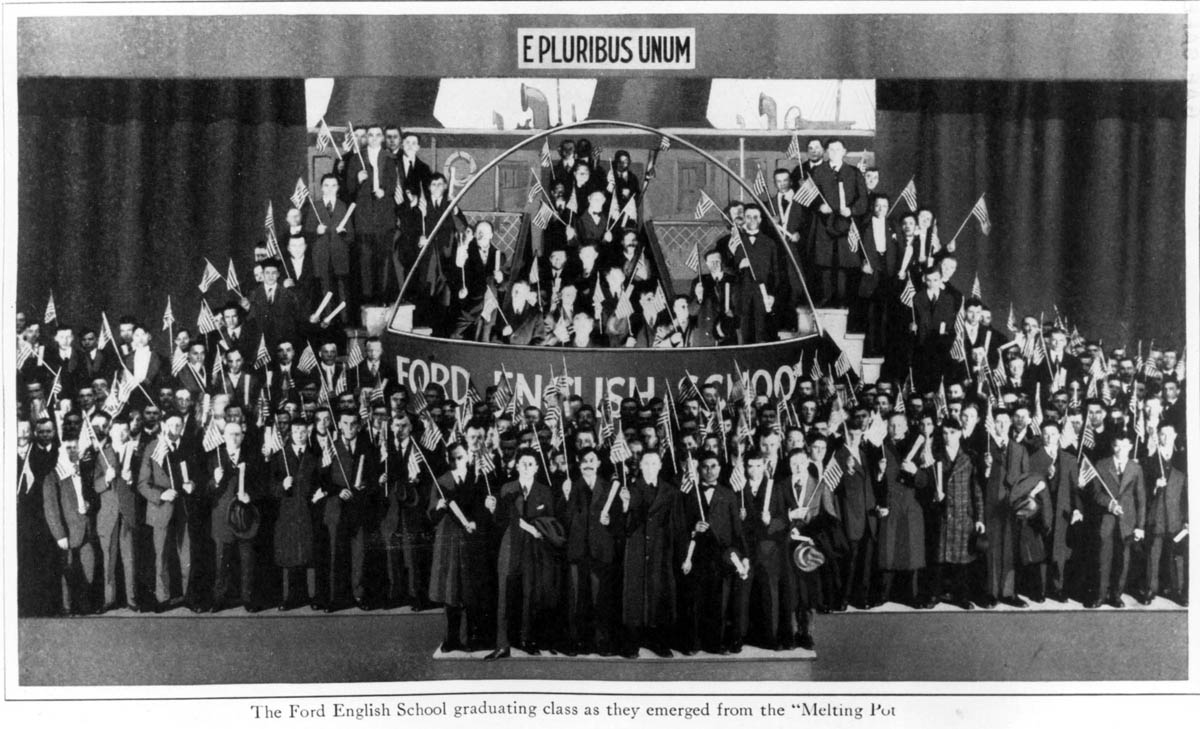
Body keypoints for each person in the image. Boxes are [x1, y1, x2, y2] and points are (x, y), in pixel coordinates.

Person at [485, 449, 556, 660]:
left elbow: (550, 521)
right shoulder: (507, 488)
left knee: (529, 594)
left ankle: (527, 640)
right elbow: (501, 520)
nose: (526, 467)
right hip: (510, 545)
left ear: (536, 467)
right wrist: (492, 509)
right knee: (505, 595)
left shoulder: (545, 491)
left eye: (530, 464)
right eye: (522, 463)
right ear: (516, 466)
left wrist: (537, 531)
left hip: (533, 549)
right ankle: (502, 645)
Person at [679, 451, 745, 655]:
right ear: (699, 469)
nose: (709, 470)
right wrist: (693, 528)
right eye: (705, 466)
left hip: (721, 554)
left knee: (719, 601)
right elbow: (680, 523)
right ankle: (693, 642)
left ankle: (716, 642)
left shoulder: (728, 494)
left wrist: (742, 555)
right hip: (697, 553)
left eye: (714, 466)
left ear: (720, 468)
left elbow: (736, 529)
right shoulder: (690, 494)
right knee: (696, 599)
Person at [621, 449, 684, 658]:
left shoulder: (670, 491)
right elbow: (622, 525)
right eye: (646, 463)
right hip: (637, 547)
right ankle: (632, 641)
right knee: (635, 595)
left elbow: (676, 525)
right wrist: (623, 507)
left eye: (653, 463)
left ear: (659, 466)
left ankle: (658, 641)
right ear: (640, 466)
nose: (649, 467)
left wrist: (678, 553)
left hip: (660, 548)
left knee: (658, 593)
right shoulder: (629, 489)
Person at [430, 442, 491, 652]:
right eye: (454, 458)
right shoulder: (441, 482)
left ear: (468, 457)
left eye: (461, 457)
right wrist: (438, 508)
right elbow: (431, 516)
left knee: (470, 591)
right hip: (449, 541)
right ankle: (451, 638)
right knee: (451, 592)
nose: (458, 462)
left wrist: (476, 521)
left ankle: (470, 638)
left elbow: (484, 509)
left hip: (471, 541)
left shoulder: (477, 479)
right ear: (449, 460)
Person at [137, 412, 199, 611]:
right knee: (161, 554)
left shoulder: (188, 445)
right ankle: (162, 598)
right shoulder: (154, 447)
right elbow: (142, 484)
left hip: (183, 507)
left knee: (186, 554)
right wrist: (161, 495)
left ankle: (188, 595)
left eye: (178, 425)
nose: (174, 429)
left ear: (182, 426)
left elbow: (198, 474)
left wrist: (193, 485)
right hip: (161, 508)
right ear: (164, 425)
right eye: (171, 424)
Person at [874, 412, 929, 608]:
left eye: (899, 425)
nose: (895, 429)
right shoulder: (879, 448)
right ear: (887, 427)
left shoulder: (917, 446)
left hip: (910, 504)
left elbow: (926, 483)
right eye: (891, 425)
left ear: (906, 427)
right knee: (888, 549)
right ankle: (884, 594)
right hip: (890, 505)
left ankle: (912, 595)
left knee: (912, 550)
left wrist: (916, 472)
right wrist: (879, 474)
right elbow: (874, 483)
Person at [91, 414, 144, 612]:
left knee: (129, 558)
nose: (121, 434)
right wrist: (106, 478)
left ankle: (132, 599)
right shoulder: (102, 454)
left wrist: (132, 479)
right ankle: (109, 599)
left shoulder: (135, 452)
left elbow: (143, 482)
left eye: (125, 430)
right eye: (117, 430)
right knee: (108, 559)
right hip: (109, 514)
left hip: (127, 514)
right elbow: (95, 486)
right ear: (110, 431)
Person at [1086, 432, 1145, 609]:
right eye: (1117, 445)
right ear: (1113, 446)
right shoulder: (1102, 464)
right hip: (1107, 519)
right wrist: (1110, 504)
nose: (1121, 450)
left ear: (1131, 447)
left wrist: (1140, 526)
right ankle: (1100, 595)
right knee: (1103, 558)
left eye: (1125, 446)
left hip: (1127, 521)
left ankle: (1116, 596)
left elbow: (1141, 500)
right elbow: (1095, 493)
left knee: (1123, 560)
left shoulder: (1136, 468)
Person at [208, 420, 262, 612]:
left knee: (247, 561)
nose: (234, 437)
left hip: (244, 517)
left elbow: (261, 485)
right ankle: (218, 599)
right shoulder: (215, 458)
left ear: (243, 436)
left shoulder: (252, 458)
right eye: (230, 434)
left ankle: (248, 599)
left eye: (238, 434)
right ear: (223, 436)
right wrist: (214, 481)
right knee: (221, 561)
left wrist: (251, 496)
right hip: (222, 518)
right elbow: (206, 490)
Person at [809, 138, 869, 307]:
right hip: (824, 224)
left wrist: (852, 210)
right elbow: (810, 196)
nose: (834, 153)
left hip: (846, 225)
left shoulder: (854, 173)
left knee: (844, 264)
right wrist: (819, 206)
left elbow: (863, 199)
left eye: (838, 149)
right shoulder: (819, 172)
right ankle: (826, 298)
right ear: (827, 152)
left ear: (844, 152)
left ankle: (843, 301)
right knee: (825, 263)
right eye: (831, 150)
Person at [270, 418, 320, 610]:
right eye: (296, 431)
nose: (300, 435)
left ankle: (309, 595)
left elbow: (319, 480)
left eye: (303, 431)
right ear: (290, 433)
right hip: (288, 512)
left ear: (308, 432)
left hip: (308, 510)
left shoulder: (315, 455)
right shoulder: (279, 456)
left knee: (306, 553)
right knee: (290, 553)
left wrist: (319, 492)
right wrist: (282, 486)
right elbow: (270, 486)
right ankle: (291, 597)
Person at [345, 123, 398, 305]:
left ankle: (382, 297)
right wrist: (358, 180)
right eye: (370, 135)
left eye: (377, 135)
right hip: (364, 218)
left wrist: (385, 190)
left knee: (383, 259)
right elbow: (349, 188)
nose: (374, 138)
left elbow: (393, 184)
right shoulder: (355, 160)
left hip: (384, 218)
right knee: (365, 260)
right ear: (366, 137)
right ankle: (367, 299)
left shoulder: (390, 158)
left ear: (382, 138)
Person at [42, 438, 97, 615]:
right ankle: (67, 608)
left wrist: (89, 504)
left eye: (75, 448)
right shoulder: (53, 475)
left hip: (86, 529)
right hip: (68, 532)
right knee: (68, 571)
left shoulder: (84, 471)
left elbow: (91, 496)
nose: (72, 452)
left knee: (88, 567)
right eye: (68, 448)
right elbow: (51, 508)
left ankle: (84, 606)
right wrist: (59, 535)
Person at [1142, 422, 1187, 606]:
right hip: (1156, 516)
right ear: (1158, 436)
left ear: (1175, 436)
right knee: (1153, 553)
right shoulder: (1149, 462)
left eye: (1169, 434)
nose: (1166, 438)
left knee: (1176, 556)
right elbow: (1141, 491)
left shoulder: (1183, 461)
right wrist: (1154, 486)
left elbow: (1188, 495)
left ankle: (1177, 591)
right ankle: (1150, 590)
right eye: (1162, 434)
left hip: (1176, 518)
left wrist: (1188, 520)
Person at [303, 173, 355, 323]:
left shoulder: (343, 206)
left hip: (340, 255)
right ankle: (328, 321)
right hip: (322, 256)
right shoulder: (315, 206)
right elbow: (307, 235)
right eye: (326, 185)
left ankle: (345, 323)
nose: (330, 188)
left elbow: (351, 236)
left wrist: (344, 233)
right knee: (325, 289)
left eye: (333, 185)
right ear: (321, 188)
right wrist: (316, 232)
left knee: (342, 290)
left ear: (338, 188)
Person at [728, 204, 781, 344]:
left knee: (761, 334)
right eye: (748, 217)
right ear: (744, 219)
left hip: (762, 295)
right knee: (744, 335)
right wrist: (739, 265)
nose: (752, 220)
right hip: (743, 295)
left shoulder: (770, 243)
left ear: (760, 219)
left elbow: (776, 272)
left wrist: (773, 294)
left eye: (755, 217)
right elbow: (728, 270)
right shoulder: (737, 242)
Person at [245, 259, 302, 352]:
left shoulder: (288, 294)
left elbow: (296, 317)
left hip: (286, 343)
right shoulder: (253, 295)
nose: (270, 276)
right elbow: (251, 321)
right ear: (263, 274)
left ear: (278, 274)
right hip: (264, 346)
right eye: (267, 273)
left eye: (274, 273)